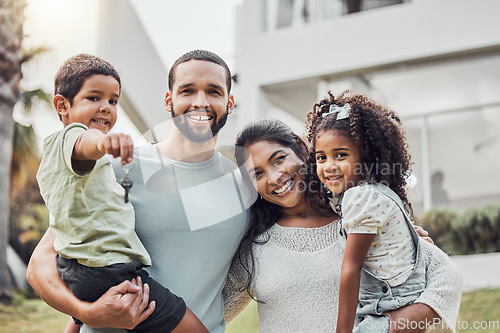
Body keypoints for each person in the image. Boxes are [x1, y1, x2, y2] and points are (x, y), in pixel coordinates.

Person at [27, 50, 249, 333]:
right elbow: (44, 264)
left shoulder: (247, 191)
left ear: (229, 103)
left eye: (214, 92)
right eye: (188, 91)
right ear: (169, 100)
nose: (200, 102)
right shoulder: (113, 168)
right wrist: (87, 314)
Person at [223, 117, 463, 333]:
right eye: (258, 174)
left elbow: (446, 277)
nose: (274, 177)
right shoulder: (254, 248)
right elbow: (210, 314)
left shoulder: (362, 216)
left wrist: (399, 324)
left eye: (279, 160)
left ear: (299, 148)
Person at [307, 91, 428, 333]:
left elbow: (351, 269)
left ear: (366, 157)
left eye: (340, 155)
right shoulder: (372, 193)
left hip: (393, 301)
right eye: (321, 157)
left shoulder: (361, 197)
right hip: (394, 297)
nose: (329, 166)